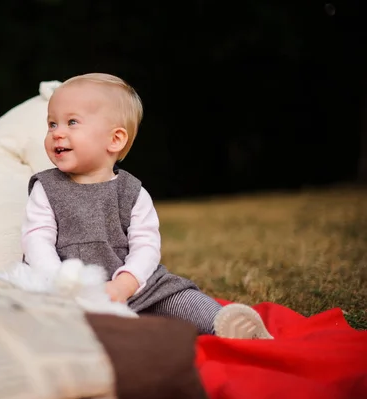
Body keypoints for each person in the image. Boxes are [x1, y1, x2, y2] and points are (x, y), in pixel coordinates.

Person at [21, 72, 273, 339]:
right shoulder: (46, 188)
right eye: (52, 124)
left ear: (114, 140)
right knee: (35, 309)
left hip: (132, 286)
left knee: (176, 296)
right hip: (67, 289)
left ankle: (221, 321)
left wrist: (125, 283)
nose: (57, 133)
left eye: (72, 122)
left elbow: (146, 245)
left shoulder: (132, 191)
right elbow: (37, 239)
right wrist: (59, 281)